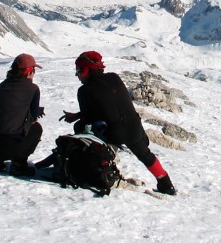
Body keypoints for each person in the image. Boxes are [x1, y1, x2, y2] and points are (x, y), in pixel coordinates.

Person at [59, 51, 177, 196]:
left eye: (78, 70)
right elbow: (110, 104)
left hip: (114, 134)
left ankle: (96, 167)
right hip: (135, 128)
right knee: (145, 155)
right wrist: (77, 115)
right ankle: (166, 184)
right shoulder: (114, 78)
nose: (77, 75)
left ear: (85, 70)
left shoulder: (84, 91)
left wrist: (76, 119)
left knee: (80, 128)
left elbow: (89, 118)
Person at [0, 53, 44, 176]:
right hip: (10, 146)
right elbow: (34, 117)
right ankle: (19, 164)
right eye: (34, 70)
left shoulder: (3, 85)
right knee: (36, 128)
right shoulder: (33, 89)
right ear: (29, 71)